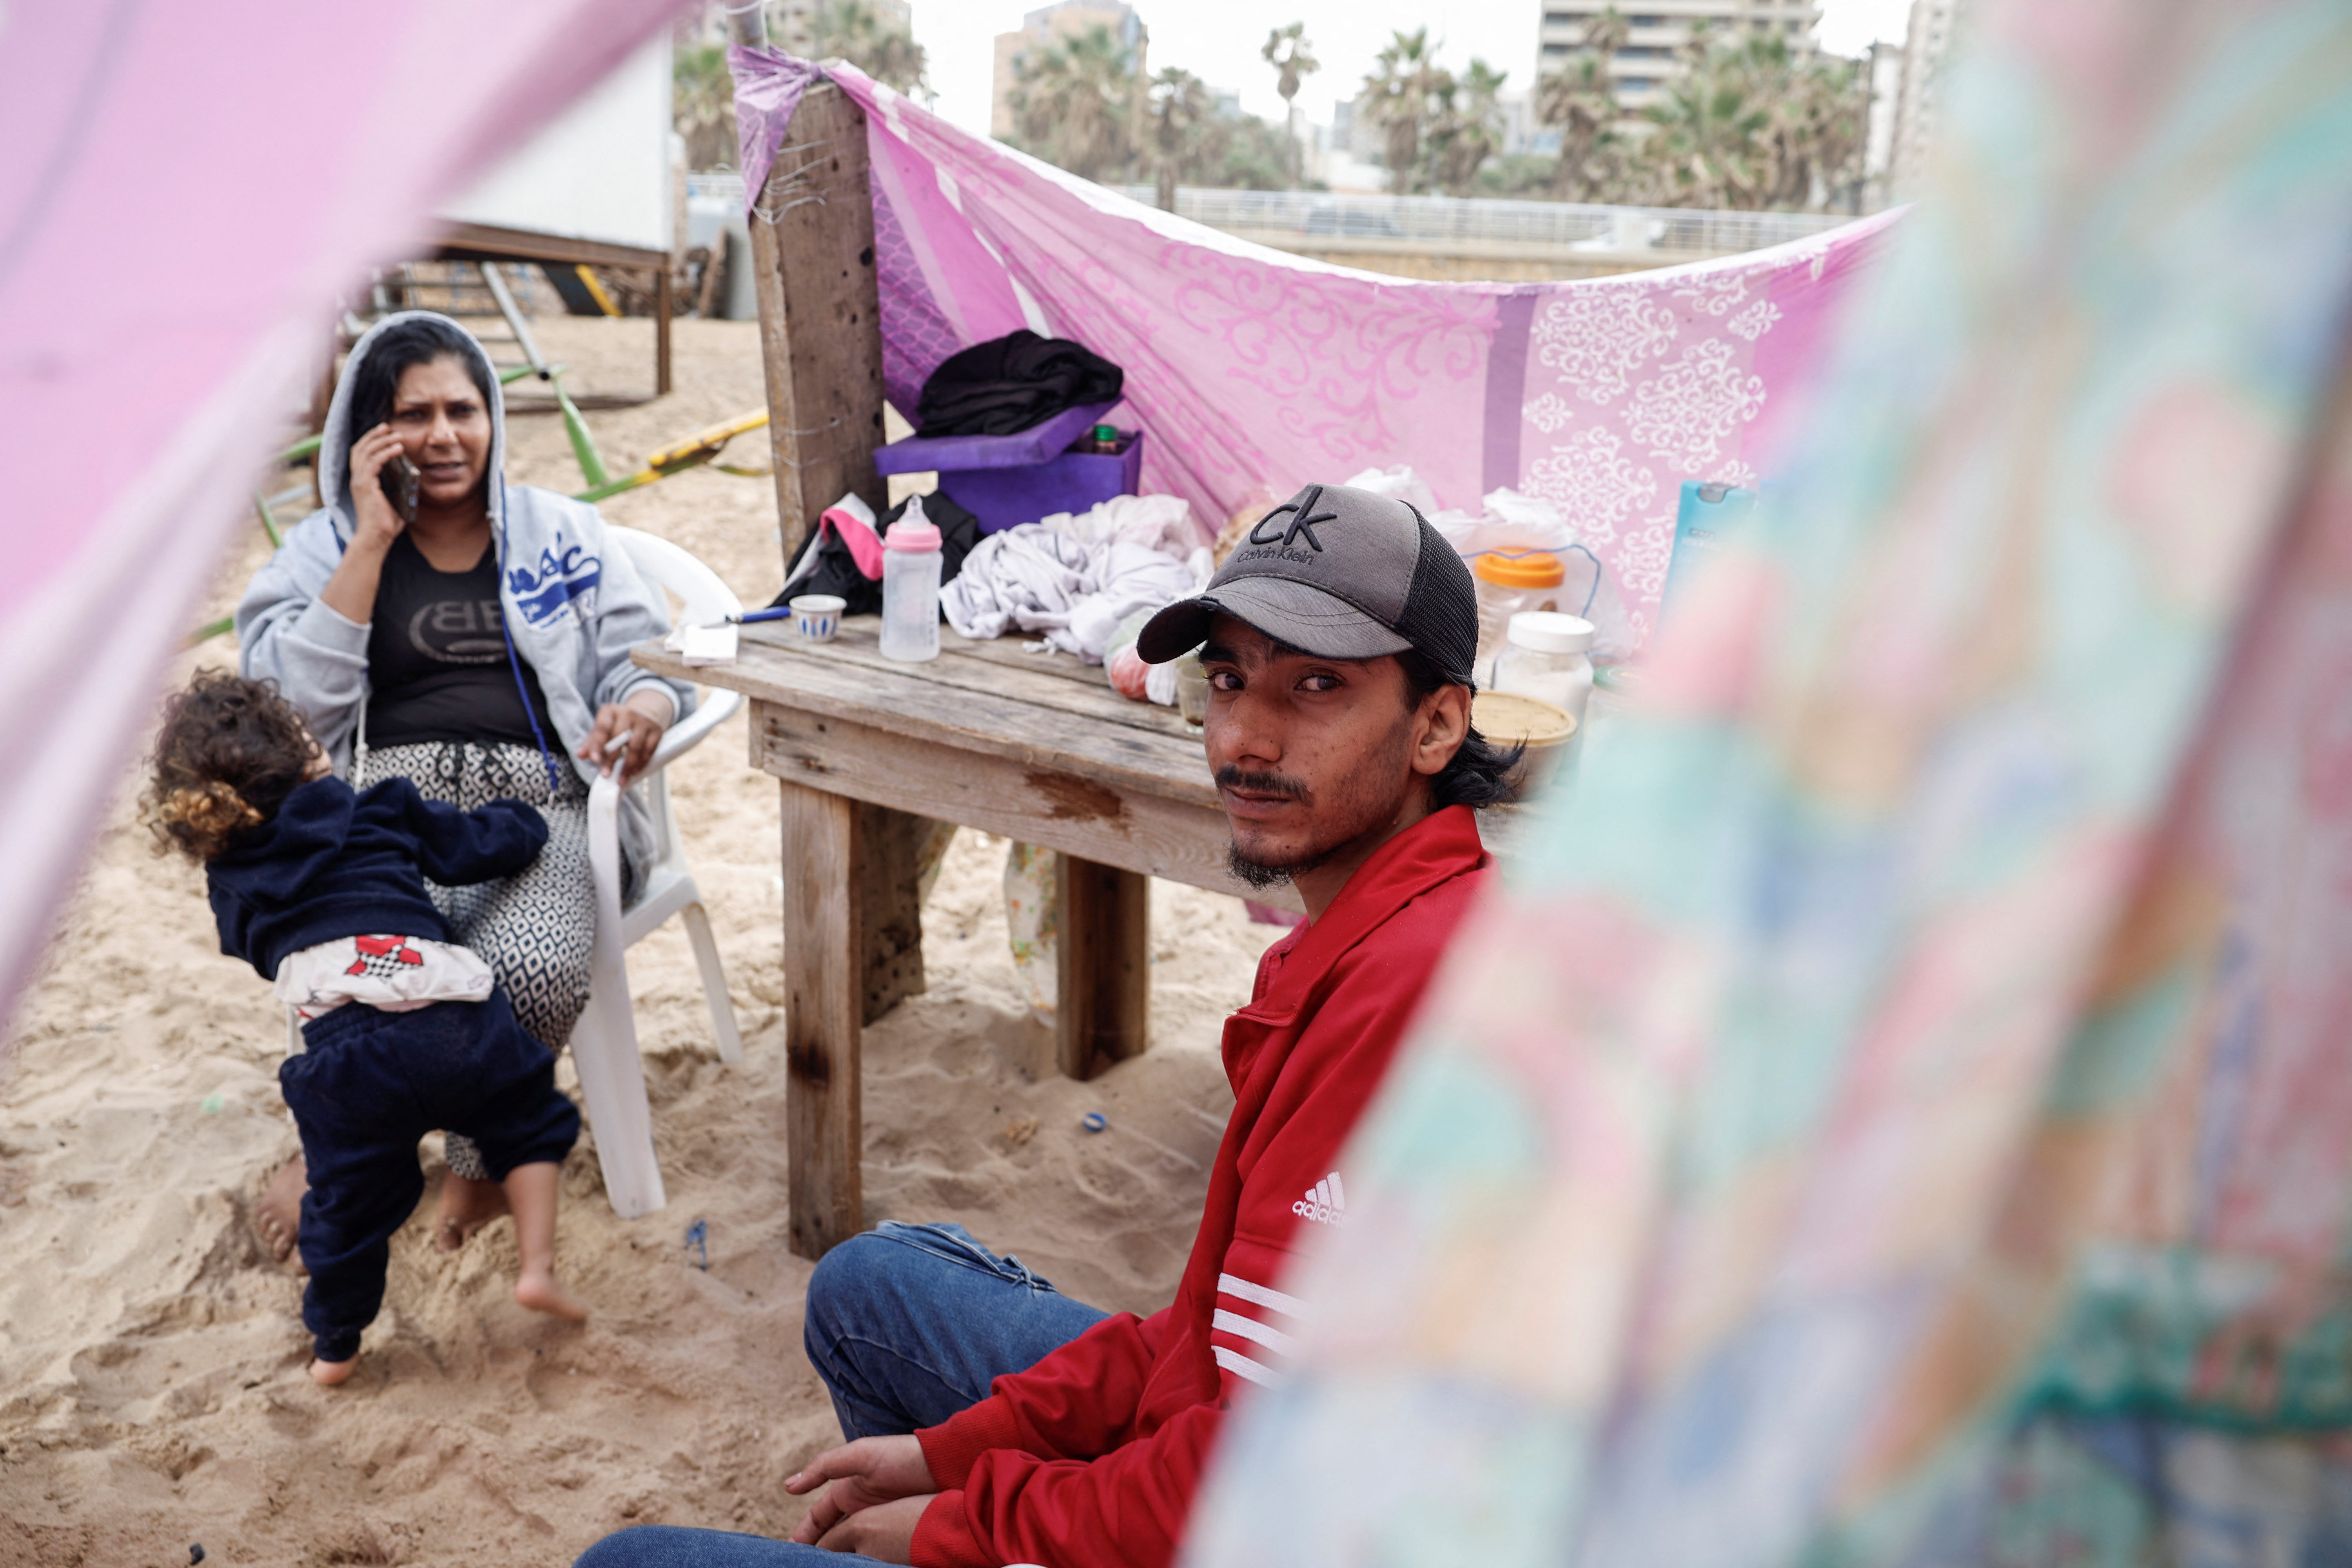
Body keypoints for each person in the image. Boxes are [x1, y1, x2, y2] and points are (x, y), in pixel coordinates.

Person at [573, 482, 1516, 1567]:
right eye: (1228, 678)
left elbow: (1272, 1476)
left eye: (1316, 686)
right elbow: (1203, 1345)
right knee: (869, 1287)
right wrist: (957, 1454)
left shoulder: (1411, 998)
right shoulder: (1379, 929)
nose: (1246, 737)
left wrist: (967, 1525)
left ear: (1437, 723)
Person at [238, 311, 692, 1259]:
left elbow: (652, 657)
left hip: (539, 805)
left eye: (463, 409)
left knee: (529, 967)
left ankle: (476, 1162)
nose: (444, 435)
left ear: (493, 418)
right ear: (370, 434)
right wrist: (369, 541)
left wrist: (643, 706)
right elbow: (285, 713)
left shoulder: (563, 531)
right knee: (367, 971)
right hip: (389, 813)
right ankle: (352, 1148)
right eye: (415, 414)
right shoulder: (323, 551)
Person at [143, 671, 586, 1385]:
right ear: (313, 757)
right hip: (450, 1022)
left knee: (346, 1209)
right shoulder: (378, 809)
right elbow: (477, 847)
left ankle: (335, 1348)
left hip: (343, 1069)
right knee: (531, 1118)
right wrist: (525, 823)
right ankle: (536, 1267)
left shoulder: (233, 879)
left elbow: (249, 948)